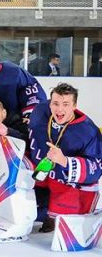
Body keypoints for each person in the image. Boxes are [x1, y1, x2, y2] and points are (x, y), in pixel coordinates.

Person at [26, 83, 102, 229]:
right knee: (15, 185)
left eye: (66, 104)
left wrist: (65, 161)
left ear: (74, 106)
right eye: (55, 103)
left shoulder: (89, 132)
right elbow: (28, 135)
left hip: (66, 183)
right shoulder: (40, 112)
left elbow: (96, 168)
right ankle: (43, 208)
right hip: (40, 174)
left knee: (63, 224)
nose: (59, 109)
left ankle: (49, 212)